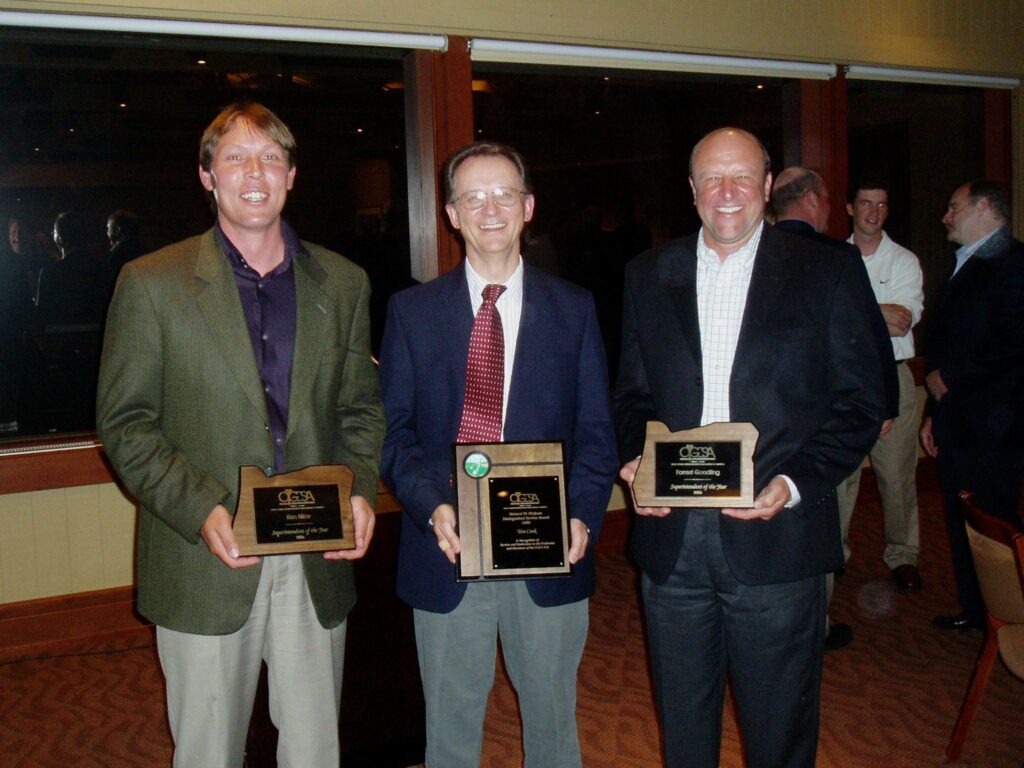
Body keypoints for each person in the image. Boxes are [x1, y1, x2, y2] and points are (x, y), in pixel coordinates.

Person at [96, 102, 385, 767]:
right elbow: (124, 423)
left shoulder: (343, 283)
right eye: (235, 157)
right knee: (208, 753)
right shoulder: (151, 284)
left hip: (315, 556)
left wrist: (361, 490)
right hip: (205, 559)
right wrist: (202, 510)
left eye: (271, 158)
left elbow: (361, 410)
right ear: (207, 176)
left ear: (291, 175)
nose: (254, 173)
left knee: (315, 751)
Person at [615, 128, 886, 768]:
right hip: (673, 539)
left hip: (778, 533)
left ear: (767, 187)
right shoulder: (649, 274)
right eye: (712, 178)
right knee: (683, 727)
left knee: (779, 730)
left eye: (742, 177)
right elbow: (632, 396)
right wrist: (639, 461)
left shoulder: (827, 269)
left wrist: (793, 485)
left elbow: (860, 403)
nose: (727, 192)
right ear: (692, 191)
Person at [378, 141, 618, 768]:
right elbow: (393, 435)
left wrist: (582, 516)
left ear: (528, 206)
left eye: (504, 193)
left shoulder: (574, 310)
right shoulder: (410, 314)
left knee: (553, 725)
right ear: (451, 214)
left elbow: (597, 434)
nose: (490, 208)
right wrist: (431, 505)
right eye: (473, 196)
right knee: (450, 732)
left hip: (549, 549)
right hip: (447, 547)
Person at [770, 166, 900, 652]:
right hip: (831, 415)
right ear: (814, 199)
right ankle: (815, 626)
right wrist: (883, 403)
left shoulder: (755, 256)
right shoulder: (838, 259)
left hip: (778, 418)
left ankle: (795, 623)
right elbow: (869, 344)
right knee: (820, 511)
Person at [922, 179, 1024, 632]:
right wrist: (933, 413)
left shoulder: (1014, 262)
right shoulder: (971, 260)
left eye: (953, 206)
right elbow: (951, 341)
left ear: (984, 207)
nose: (946, 216)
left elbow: (1012, 343)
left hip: (994, 425)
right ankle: (981, 611)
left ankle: (1009, 614)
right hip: (960, 419)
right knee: (965, 520)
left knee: (994, 522)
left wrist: (950, 379)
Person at [838, 180, 924, 594]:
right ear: (850, 208)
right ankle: (835, 554)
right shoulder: (835, 259)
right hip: (847, 381)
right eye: (866, 203)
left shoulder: (904, 261)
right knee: (841, 475)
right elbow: (832, 323)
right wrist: (877, 312)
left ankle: (903, 555)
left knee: (897, 476)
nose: (874, 211)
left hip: (895, 377)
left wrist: (856, 311)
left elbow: (904, 320)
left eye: (882, 204)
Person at [106, 209, 144, 275]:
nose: (107, 232)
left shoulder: (118, 254)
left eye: (109, 228)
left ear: (117, 230)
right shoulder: (144, 249)